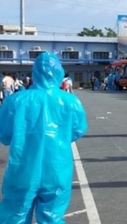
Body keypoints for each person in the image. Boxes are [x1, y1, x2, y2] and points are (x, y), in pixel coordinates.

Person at [0, 52, 88, 223]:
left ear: (34, 73)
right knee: (52, 217)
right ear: (59, 73)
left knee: (14, 216)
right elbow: (78, 130)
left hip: (22, 169)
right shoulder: (70, 101)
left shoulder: (15, 101)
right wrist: (60, 138)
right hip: (57, 168)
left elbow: (4, 135)